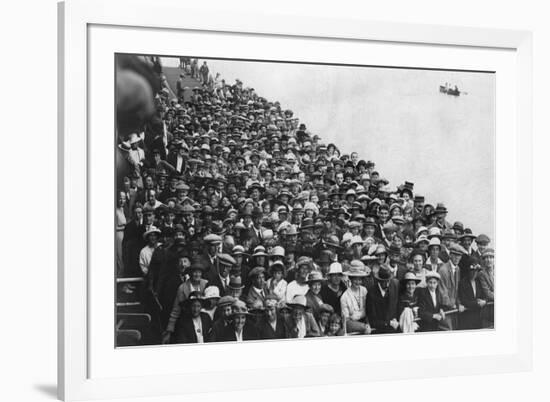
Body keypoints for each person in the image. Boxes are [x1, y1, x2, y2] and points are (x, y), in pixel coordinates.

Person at [164, 260, 208, 343]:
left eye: (199, 272)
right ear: (190, 273)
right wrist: (169, 330)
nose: (197, 275)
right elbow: (176, 310)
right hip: (187, 321)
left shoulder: (205, 284)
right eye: (194, 272)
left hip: (202, 320)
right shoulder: (182, 288)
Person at [438, 243, 467, 330]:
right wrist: (453, 304)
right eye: (455, 255)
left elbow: (457, 289)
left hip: (453, 308)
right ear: (450, 255)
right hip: (445, 308)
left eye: (459, 256)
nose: (457, 258)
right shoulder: (443, 270)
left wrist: (458, 303)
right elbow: (442, 292)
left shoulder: (457, 269)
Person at [366, 265, 400, 334]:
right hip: (378, 331)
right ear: (379, 281)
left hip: (394, 329)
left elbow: (397, 307)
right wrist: (388, 323)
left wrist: (397, 320)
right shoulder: (371, 293)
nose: (387, 285)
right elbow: (372, 320)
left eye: (388, 281)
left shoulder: (395, 286)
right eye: (384, 282)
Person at [340, 264, 371, 334]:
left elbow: (368, 309)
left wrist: (368, 323)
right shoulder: (345, 297)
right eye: (355, 279)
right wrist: (363, 326)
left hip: (366, 322)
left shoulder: (364, 290)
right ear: (351, 279)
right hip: (352, 325)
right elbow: (346, 321)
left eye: (360, 279)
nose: (358, 282)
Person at [458, 263, 486, 330]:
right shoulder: (463, 283)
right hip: (467, 317)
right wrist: (477, 303)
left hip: (478, 316)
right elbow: (463, 300)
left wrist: (484, 301)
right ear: (468, 271)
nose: (474, 273)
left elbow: (483, 295)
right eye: (472, 271)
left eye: (476, 271)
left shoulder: (478, 281)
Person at [478, 248, 495, 328]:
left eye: (491, 257)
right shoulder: (482, 274)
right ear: (484, 260)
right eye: (486, 258)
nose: (489, 260)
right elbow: (487, 293)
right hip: (489, 312)